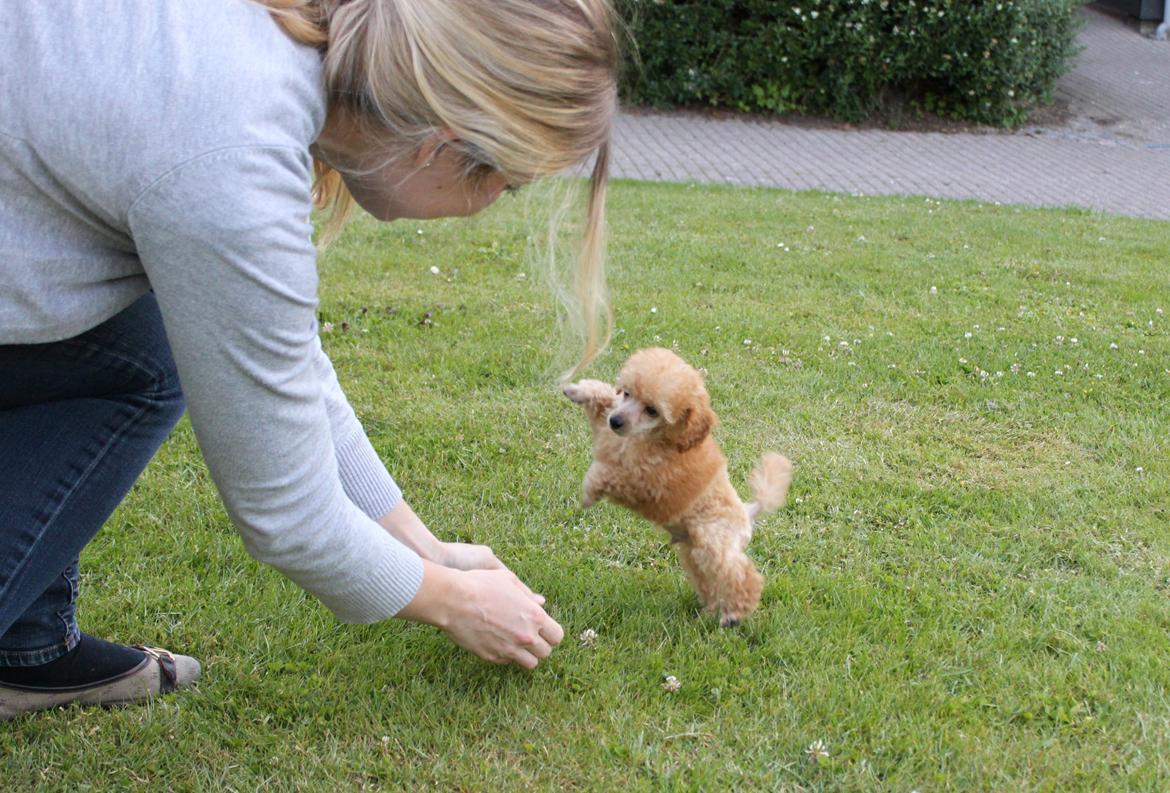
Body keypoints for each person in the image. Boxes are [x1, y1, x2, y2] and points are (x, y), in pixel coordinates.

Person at [0, 0, 618, 719]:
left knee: (152, 342)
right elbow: (288, 513)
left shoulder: (263, 64)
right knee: (150, 353)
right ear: (442, 144)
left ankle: (25, 649)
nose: (488, 205)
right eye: (504, 185)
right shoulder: (234, 150)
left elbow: (276, 352)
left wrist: (424, 547)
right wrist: (455, 600)